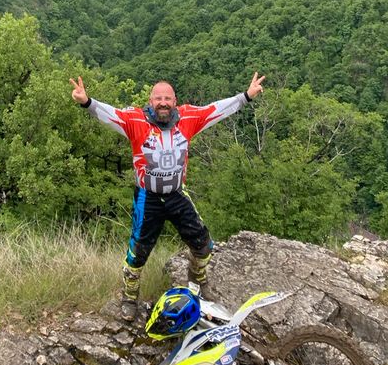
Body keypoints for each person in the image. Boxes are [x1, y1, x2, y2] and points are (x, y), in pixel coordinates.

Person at [70, 72, 265, 320]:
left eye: (167, 98)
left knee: (204, 245)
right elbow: (111, 115)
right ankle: (129, 298)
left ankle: (198, 283)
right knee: (138, 253)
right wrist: (87, 102)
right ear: (150, 101)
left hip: (176, 194)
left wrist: (246, 96)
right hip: (147, 197)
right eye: (158, 98)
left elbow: (216, 109)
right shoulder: (135, 121)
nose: (163, 103)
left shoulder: (188, 118)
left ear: (175, 101)